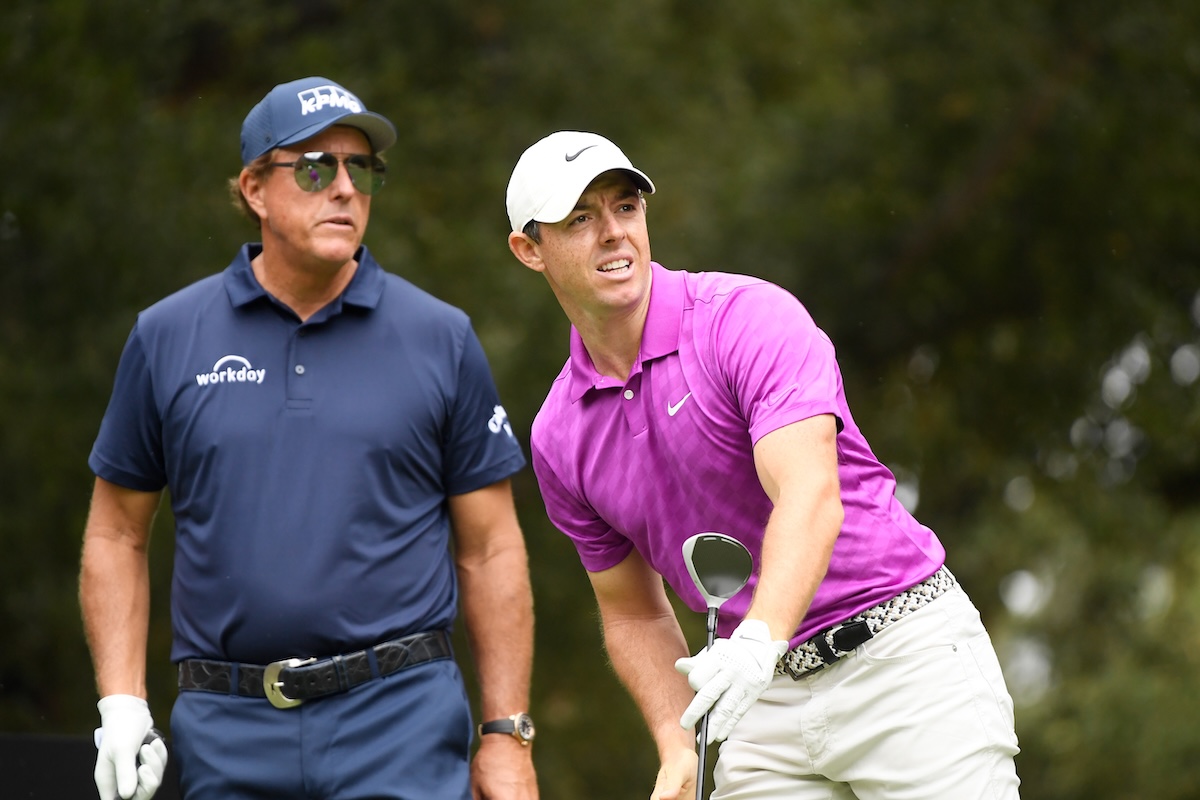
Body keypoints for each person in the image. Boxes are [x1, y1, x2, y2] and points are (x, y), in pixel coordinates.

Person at [504, 130, 1020, 800]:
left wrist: (758, 641)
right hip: (763, 704)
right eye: (580, 219)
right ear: (530, 250)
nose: (613, 233)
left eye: (625, 207)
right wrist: (676, 741)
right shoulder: (558, 435)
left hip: (901, 660)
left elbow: (810, 493)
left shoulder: (744, 321)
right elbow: (631, 612)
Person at [80, 76, 539, 800]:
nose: (346, 189)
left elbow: (491, 549)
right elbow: (115, 534)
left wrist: (506, 734)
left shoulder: (439, 337)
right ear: (255, 189)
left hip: (400, 721)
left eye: (363, 169)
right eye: (317, 168)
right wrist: (122, 701)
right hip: (228, 728)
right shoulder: (167, 336)